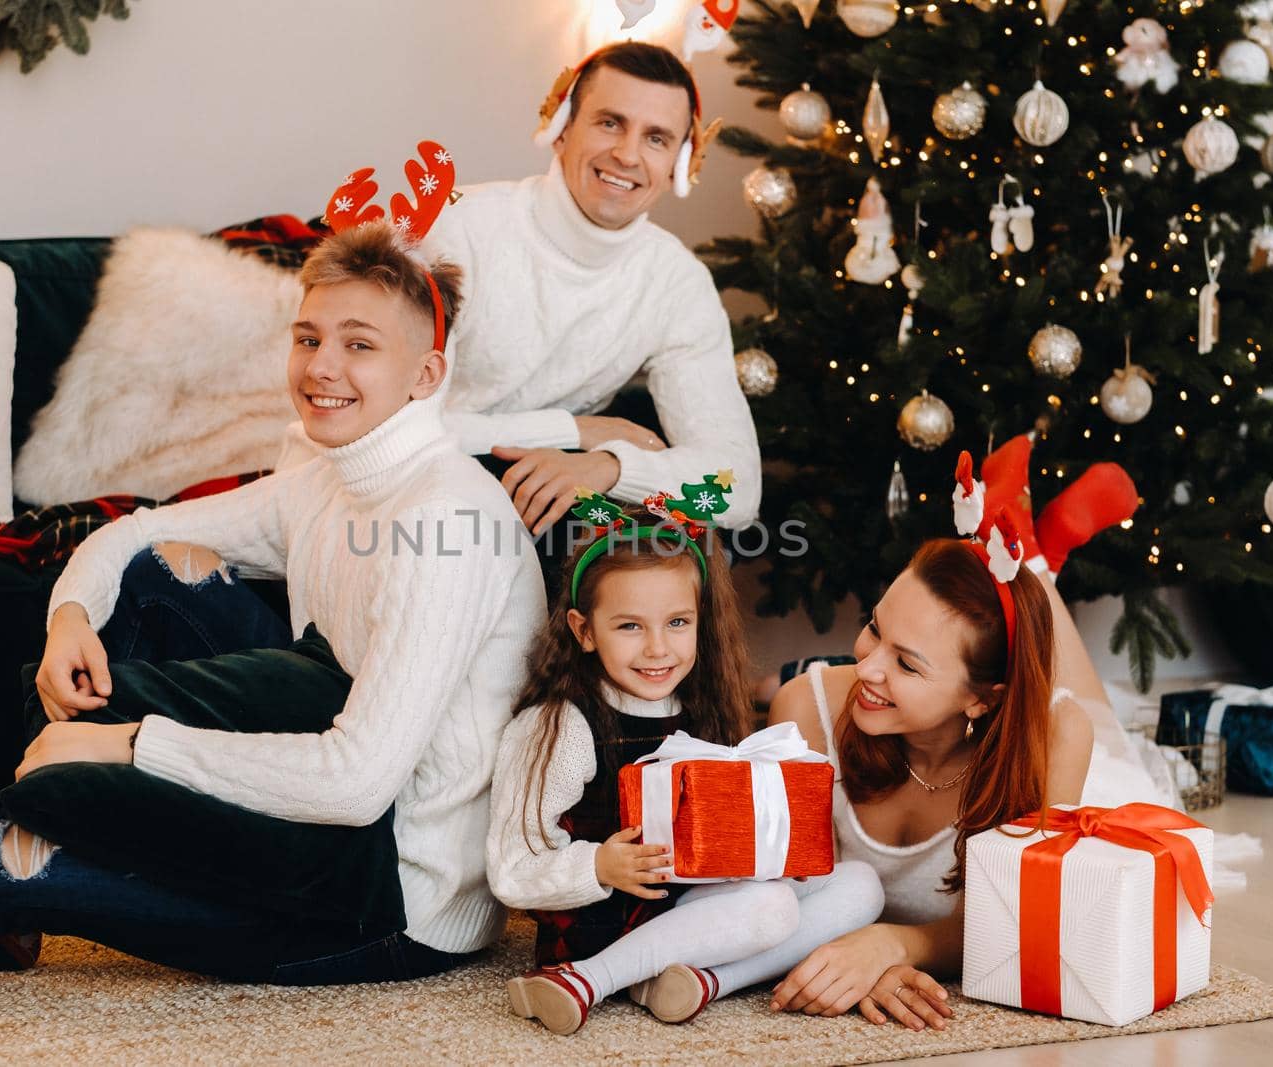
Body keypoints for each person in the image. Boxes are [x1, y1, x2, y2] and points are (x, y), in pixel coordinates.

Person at [0, 217, 548, 986]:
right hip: (327, 792)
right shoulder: (328, 470)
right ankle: (79, 811)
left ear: (426, 375)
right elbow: (137, 530)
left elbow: (355, 783)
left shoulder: (445, 520)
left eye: (359, 344)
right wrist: (68, 617)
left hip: (387, 895)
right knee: (160, 572)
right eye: (308, 338)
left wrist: (132, 743)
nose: (322, 366)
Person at [277, 41, 762, 541]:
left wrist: (609, 467)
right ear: (562, 128)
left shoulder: (677, 283)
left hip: (541, 480)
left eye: (656, 138)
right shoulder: (460, 232)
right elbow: (381, 427)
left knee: (678, 546)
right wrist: (575, 432)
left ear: (680, 164)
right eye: (609, 123)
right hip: (393, 479)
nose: (627, 154)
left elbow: (737, 488)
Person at [748, 456, 1127, 1029]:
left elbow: (1022, 920)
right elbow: (793, 897)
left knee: (1098, 717)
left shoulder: (1053, 739)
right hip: (911, 707)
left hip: (1070, 753)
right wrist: (868, 952)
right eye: (875, 627)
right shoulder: (806, 710)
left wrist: (897, 947)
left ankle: (1038, 555)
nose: (869, 665)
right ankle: (1020, 546)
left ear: (982, 699)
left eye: (907, 663)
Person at [487, 494, 883, 1035]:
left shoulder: (703, 708)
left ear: (701, 620)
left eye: (677, 622)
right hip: (606, 924)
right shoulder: (562, 725)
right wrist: (599, 866)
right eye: (629, 626)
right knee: (772, 909)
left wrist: (765, 845)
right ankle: (587, 979)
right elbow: (511, 867)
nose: (657, 648)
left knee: (861, 885)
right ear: (583, 630)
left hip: (696, 910)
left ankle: (700, 981)